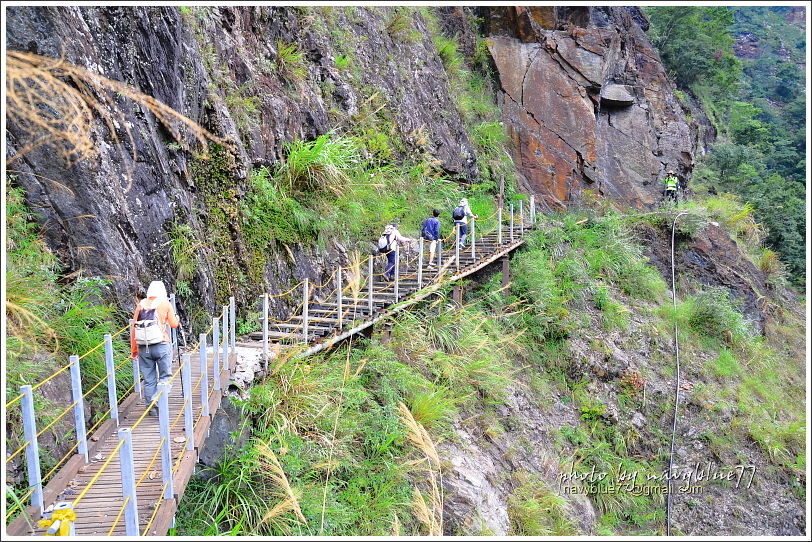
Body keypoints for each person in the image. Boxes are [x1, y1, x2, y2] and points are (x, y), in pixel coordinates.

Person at [131, 280, 179, 415]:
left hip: (143, 347)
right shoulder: (165, 303)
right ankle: (157, 398)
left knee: (149, 380)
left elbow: (134, 329)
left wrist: (134, 350)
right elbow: (174, 324)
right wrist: (177, 318)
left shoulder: (141, 305)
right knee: (165, 377)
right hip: (161, 345)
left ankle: (152, 411)